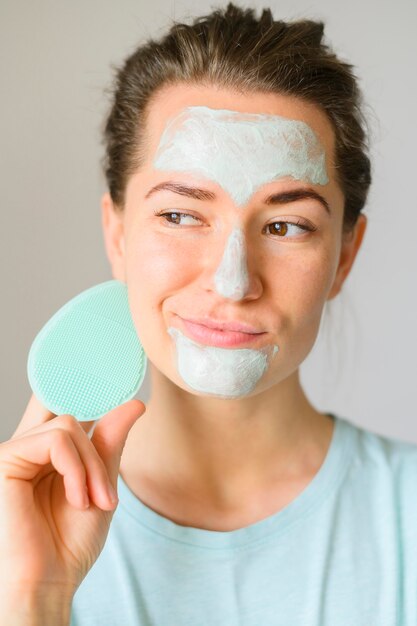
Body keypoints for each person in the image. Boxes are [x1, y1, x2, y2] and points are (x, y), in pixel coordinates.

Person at [1, 3, 416, 625]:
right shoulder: (15, 533)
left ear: (345, 255)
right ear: (117, 234)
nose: (233, 280)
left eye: (285, 225)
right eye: (179, 215)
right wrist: (35, 596)